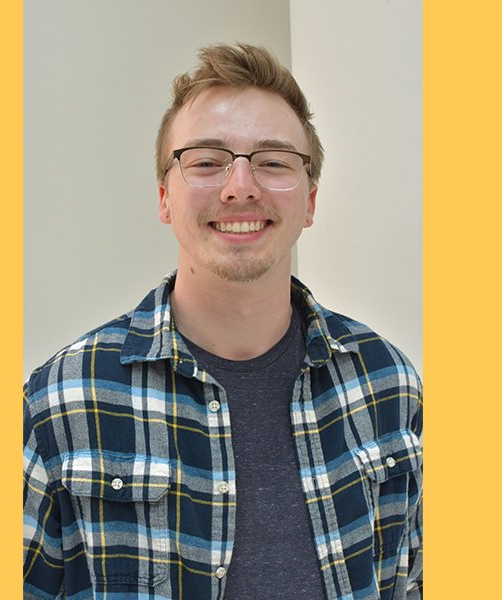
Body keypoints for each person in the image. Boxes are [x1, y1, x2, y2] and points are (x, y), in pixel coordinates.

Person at [23, 43, 422, 600]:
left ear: (310, 201)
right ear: (165, 198)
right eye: (207, 162)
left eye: (274, 161)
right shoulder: (60, 401)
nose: (240, 187)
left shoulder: (388, 386)